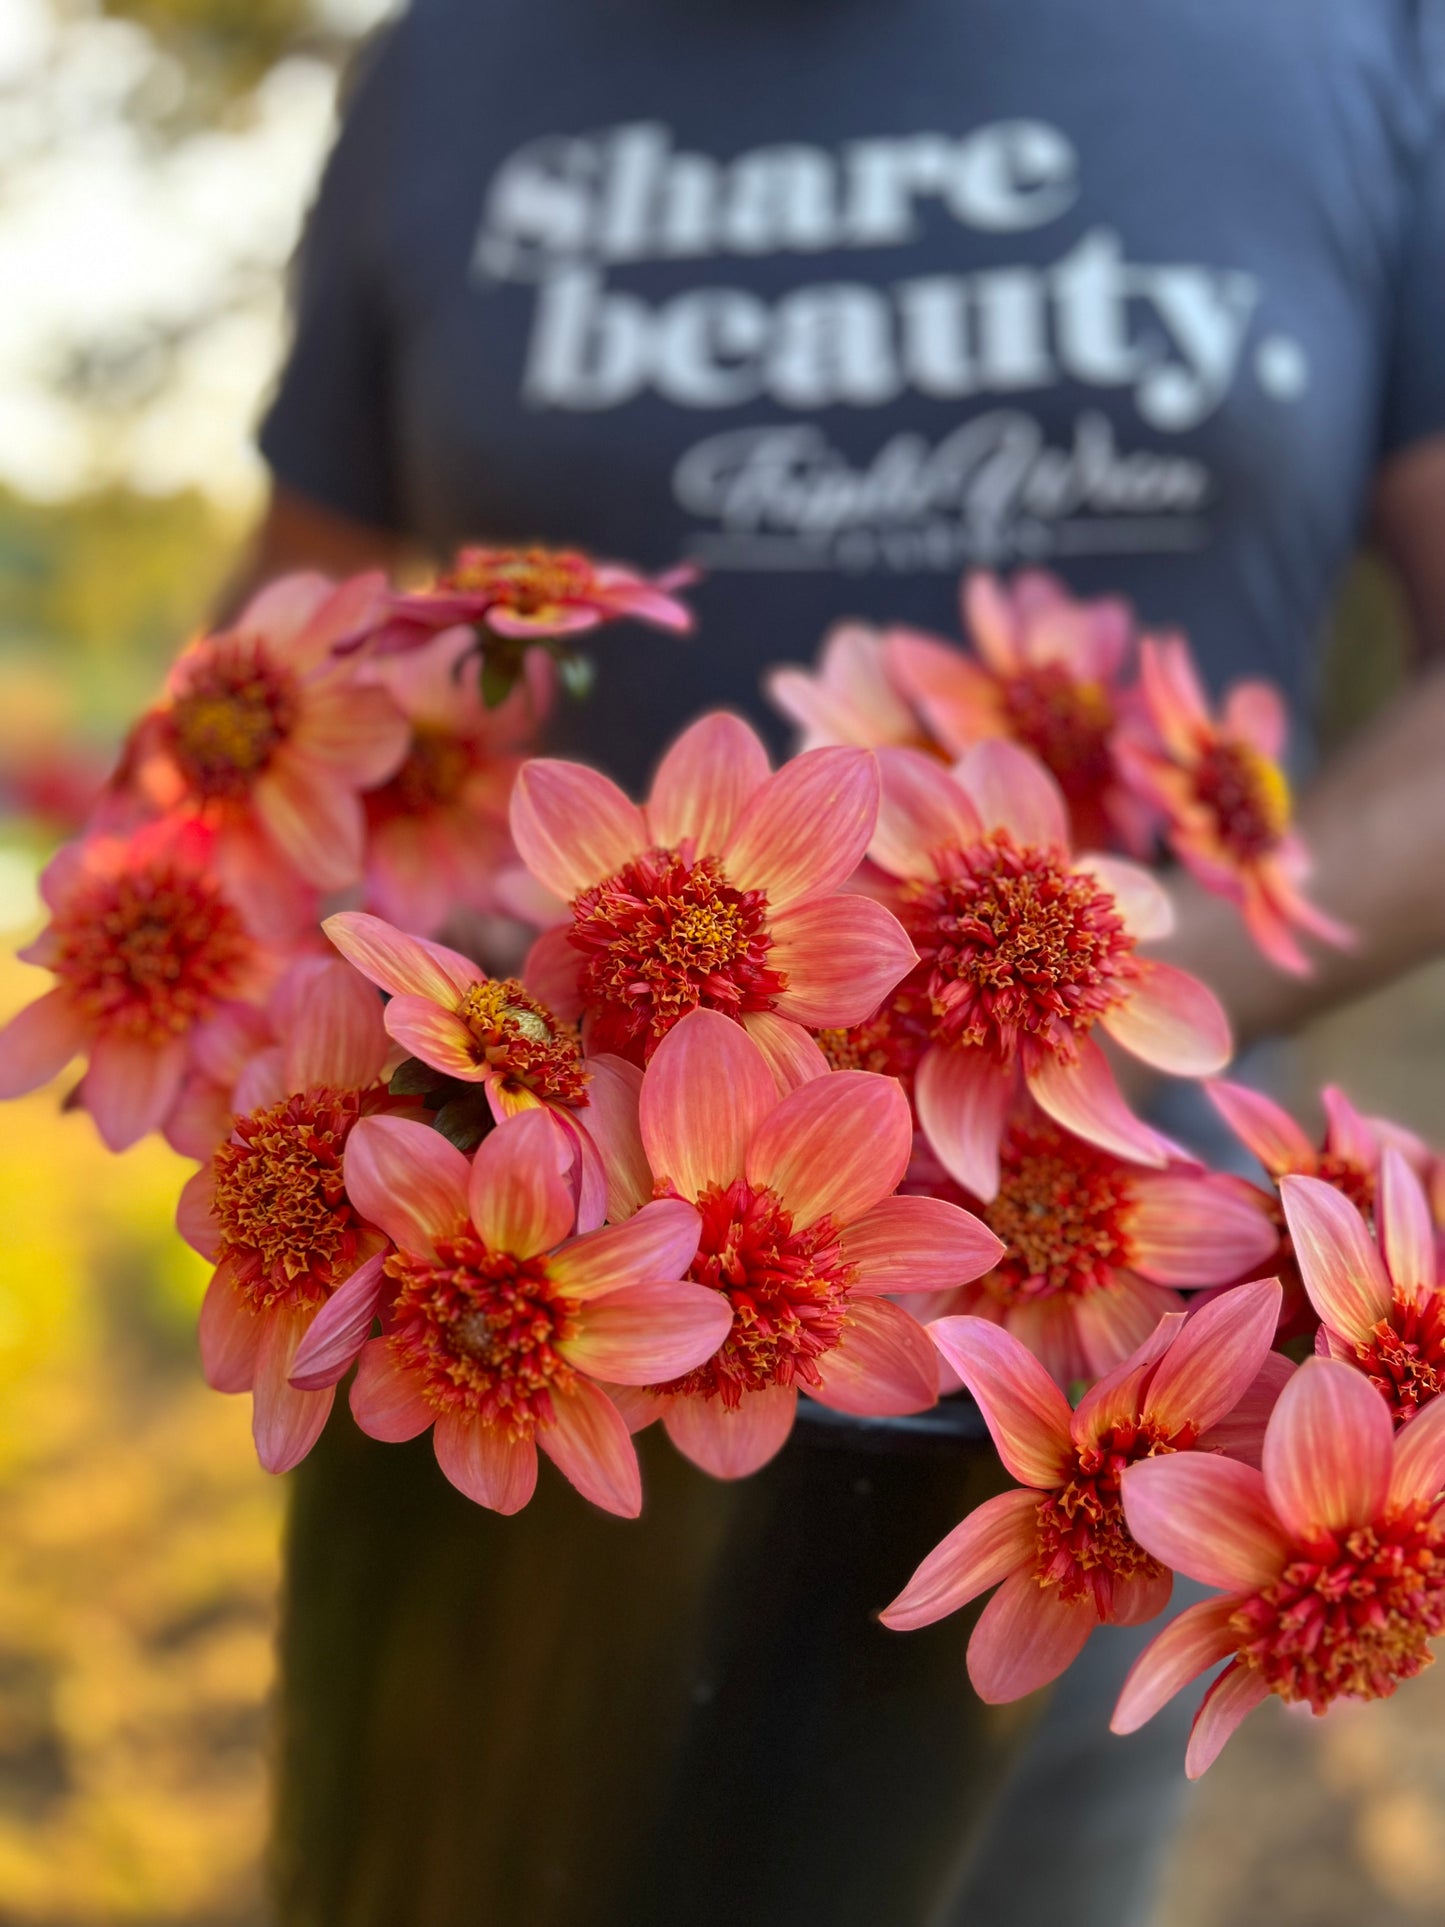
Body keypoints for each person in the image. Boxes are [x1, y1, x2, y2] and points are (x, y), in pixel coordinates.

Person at [245, 3, 1445, 1921]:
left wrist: (1095, 991)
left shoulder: (1361, 44)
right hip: (498, 1300)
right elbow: (291, 643)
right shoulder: (452, 66)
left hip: (1097, 1378)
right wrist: (343, 958)